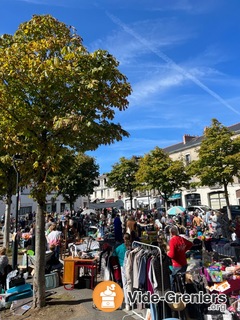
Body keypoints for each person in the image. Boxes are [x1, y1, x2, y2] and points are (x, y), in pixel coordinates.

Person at [112, 233, 131, 310]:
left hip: (123, 267)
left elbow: (113, 255)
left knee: (125, 285)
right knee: (131, 285)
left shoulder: (119, 248)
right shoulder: (132, 247)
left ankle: (127, 303)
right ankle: (132, 301)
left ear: (123, 239)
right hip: (132, 267)